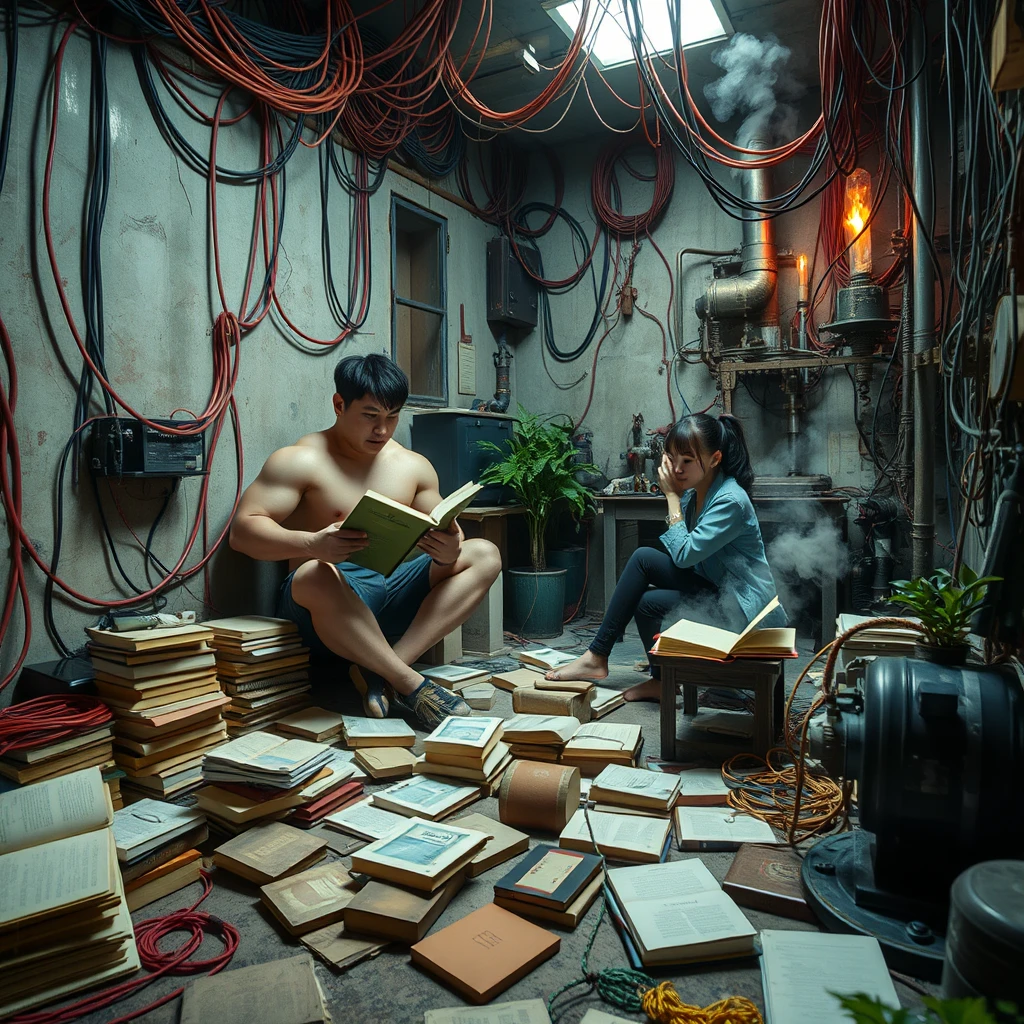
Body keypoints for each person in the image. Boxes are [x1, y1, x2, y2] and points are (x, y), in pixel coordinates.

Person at [229, 354, 502, 729]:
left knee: (484, 553)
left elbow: (447, 528)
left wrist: (450, 548)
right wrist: (312, 544)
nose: (383, 430)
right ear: (340, 405)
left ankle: (384, 670)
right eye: (370, 416)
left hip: (388, 591)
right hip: (323, 607)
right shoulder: (300, 460)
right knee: (313, 573)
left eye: (392, 417)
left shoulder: (411, 466)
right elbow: (241, 533)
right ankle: (411, 684)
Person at [546, 412, 786, 701]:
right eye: (673, 459)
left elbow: (684, 554)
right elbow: (683, 549)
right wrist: (678, 495)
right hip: (716, 587)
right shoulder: (698, 489)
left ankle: (598, 656)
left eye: (687, 460)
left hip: (743, 609)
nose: (678, 469)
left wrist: (670, 496)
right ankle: (657, 679)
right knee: (646, 586)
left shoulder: (730, 500)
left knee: (644, 564)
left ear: (715, 459)